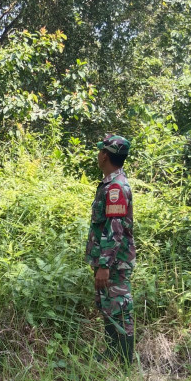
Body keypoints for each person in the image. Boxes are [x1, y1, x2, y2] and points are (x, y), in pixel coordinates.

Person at [85, 135, 136, 362]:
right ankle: (112, 353)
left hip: (114, 262)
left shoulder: (115, 187)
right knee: (107, 306)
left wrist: (104, 265)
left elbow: (115, 229)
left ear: (105, 155)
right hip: (106, 261)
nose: (98, 155)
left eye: (100, 151)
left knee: (120, 308)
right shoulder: (110, 183)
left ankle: (124, 362)